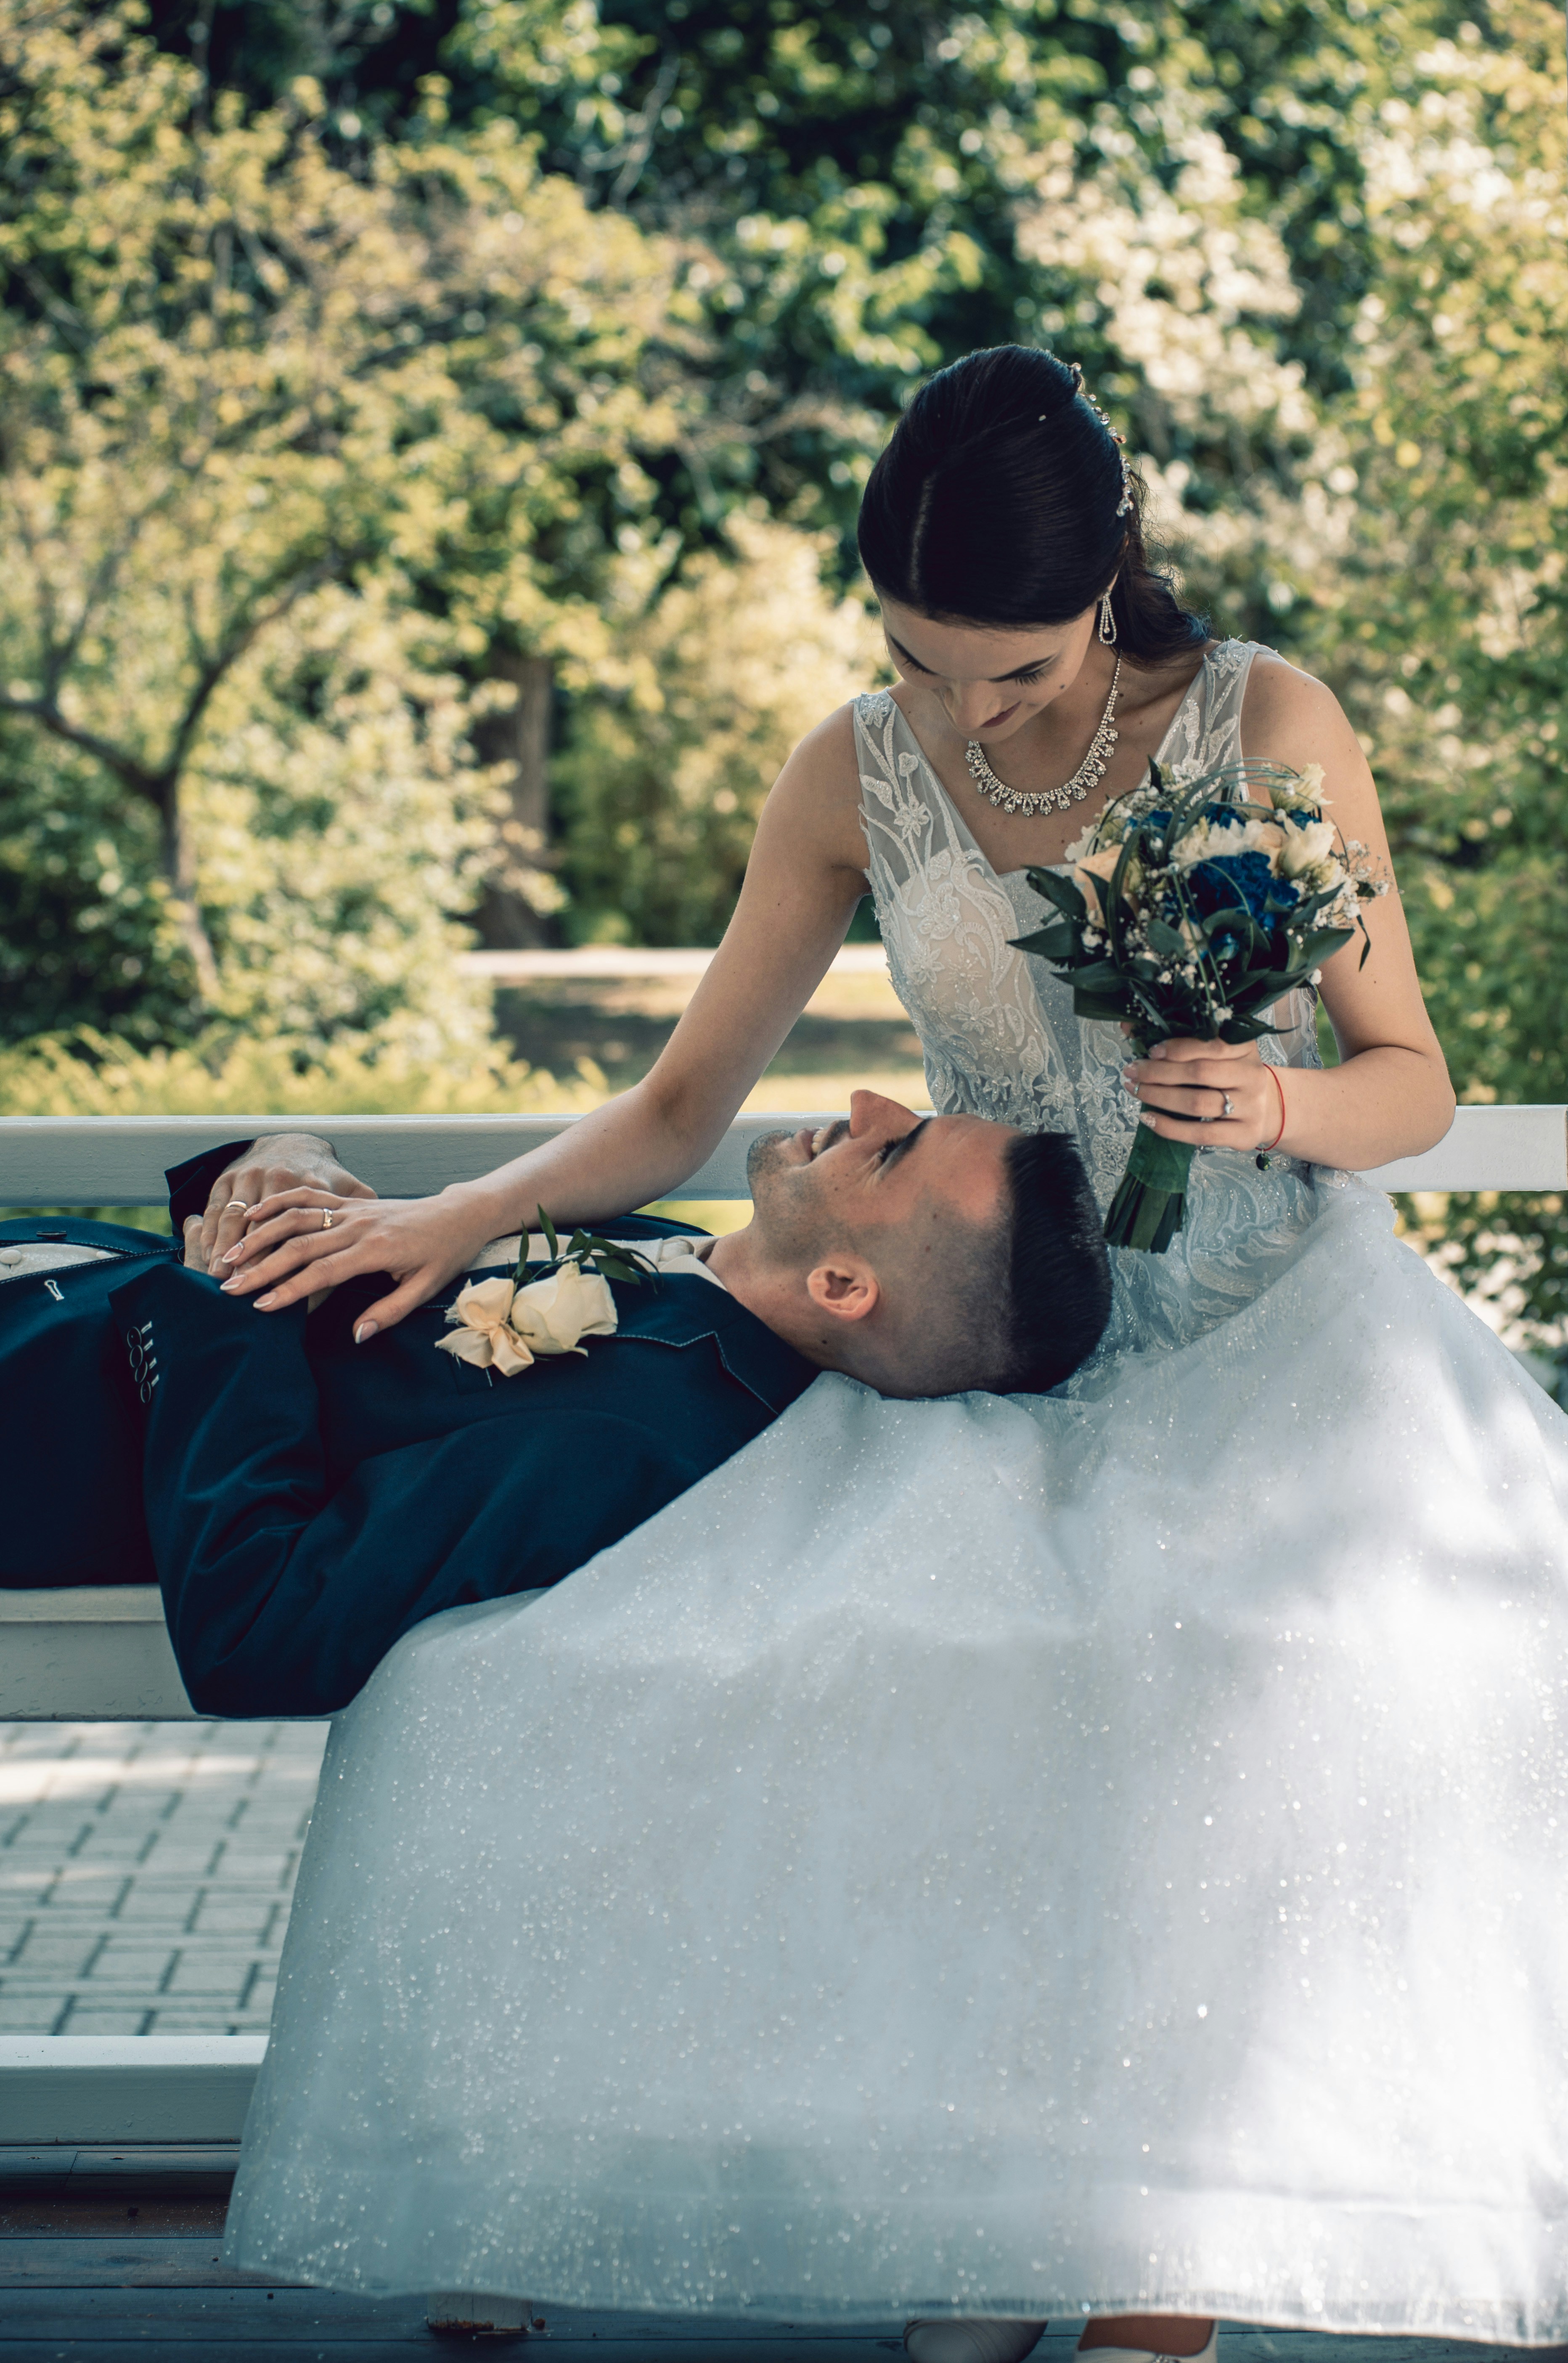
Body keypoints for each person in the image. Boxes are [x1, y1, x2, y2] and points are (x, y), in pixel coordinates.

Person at [221, 350, 1568, 2357]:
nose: (962, 711)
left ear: (1106, 580)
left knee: (1220, 1676)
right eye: (915, 660)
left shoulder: (1263, 722)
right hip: (973, 1345)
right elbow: (679, 1107)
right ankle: (892, 2219)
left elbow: (1412, 1083)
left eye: (1009, 671)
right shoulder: (845, 772)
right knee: (588, 1656)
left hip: (1258, 1327)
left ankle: (1143, 2267)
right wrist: (455, 1215)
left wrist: (1274, 1103)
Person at [0, 1096, 1111, 1714]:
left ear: (841, 1287)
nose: (870, 1106)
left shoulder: (629, 1440)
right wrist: (292, 1154)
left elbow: (260, 1633)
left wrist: (221, 1309)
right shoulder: (678, 1265)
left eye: (898, 1149)